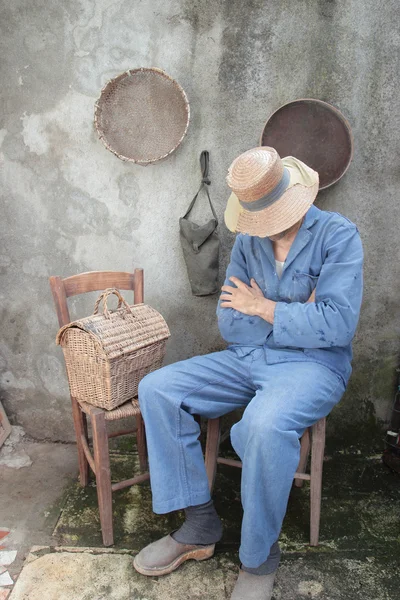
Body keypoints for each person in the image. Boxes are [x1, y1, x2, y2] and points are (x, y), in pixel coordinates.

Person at [133, 147, 363, 599]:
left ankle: (259, 559)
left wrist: (263, 306)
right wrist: (298, 313)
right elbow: (232, 324)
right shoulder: (251, 238)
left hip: (314, 368)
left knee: (261, 424)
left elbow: (338, 325)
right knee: (158, 388)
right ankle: (199, 525)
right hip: (250, 357)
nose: (265, 226)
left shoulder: (338, 236)